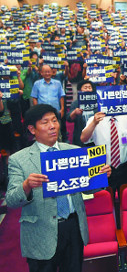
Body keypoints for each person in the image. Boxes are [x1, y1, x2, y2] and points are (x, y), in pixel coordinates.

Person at [6, 104, 111, 272]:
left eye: (54, 120)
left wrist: (99, 177)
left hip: (73, 227)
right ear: (32, 129)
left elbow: (86, 189)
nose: (52, 126)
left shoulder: (74, 151)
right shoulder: (19, 160)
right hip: (41, 231)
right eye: (45, 122)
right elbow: (11, 200)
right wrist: (26, 186)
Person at [80, 107, 127, 194]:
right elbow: (83, 139)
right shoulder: (94, 119)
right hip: (104, 169)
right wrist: (94, 123)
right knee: (106, 199)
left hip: (124, 167)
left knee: (126, 198)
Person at [31, 65, 66, 132]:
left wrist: (62, 109)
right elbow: (34, 98)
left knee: (56, 130)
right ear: (41, 73)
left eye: (49, 72)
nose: (47, 74)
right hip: (42, 112)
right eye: (45, 72)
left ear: (52, 72)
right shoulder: (37, 84)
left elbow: (61, 96)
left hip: (55, 111)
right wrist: (37, 109)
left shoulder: (57, 83)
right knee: (44, 130)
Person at [67, 81, 97, 147]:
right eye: (85, 88)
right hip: (80, 135)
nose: (88, 89)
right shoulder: (76, 103)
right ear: (80, 90)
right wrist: (74, 112)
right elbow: (69, 118)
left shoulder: (98, 102)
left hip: (96, 135)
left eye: (89, 87)